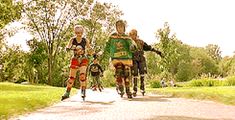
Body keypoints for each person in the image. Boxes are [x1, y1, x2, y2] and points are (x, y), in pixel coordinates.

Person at [104, 20, 136, 99]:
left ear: (124, 28)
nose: (120, 28)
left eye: (121, 27)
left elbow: (132, 44)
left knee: (127, 73)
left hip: (126, 57)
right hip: (116, 57)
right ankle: (120, 85)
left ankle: (128, 90)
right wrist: (104, 53)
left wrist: (132, 47)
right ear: (116, 28)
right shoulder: (112, 36)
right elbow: (107, 45)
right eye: (118, 27)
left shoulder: (127, 37)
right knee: (119, 71)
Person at [129, 29, 163, 96]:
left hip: (141, 58)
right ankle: (134, 89)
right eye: (132, 34)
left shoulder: (140, 42)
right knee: (135, 74)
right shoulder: (129, 43)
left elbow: (148, 47)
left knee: (142, 73)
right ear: (130, 35)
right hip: (133, 59)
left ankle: (142, 88)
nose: (134, 36)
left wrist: (157, 51)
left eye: (135, 34)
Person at [61, 25, 91, 101]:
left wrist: (93, 53)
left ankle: (83, 92)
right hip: (75, 59)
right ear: (75, 32)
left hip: (83, 59)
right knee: (71, 78)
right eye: (77, 32)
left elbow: (89, 48)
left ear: (82, 32)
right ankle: (67, 92)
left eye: (80, 32)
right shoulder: (72, 40)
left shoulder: (85, 40)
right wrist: (67, 48)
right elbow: (68, 46)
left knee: (82, 76)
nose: (79, 34)